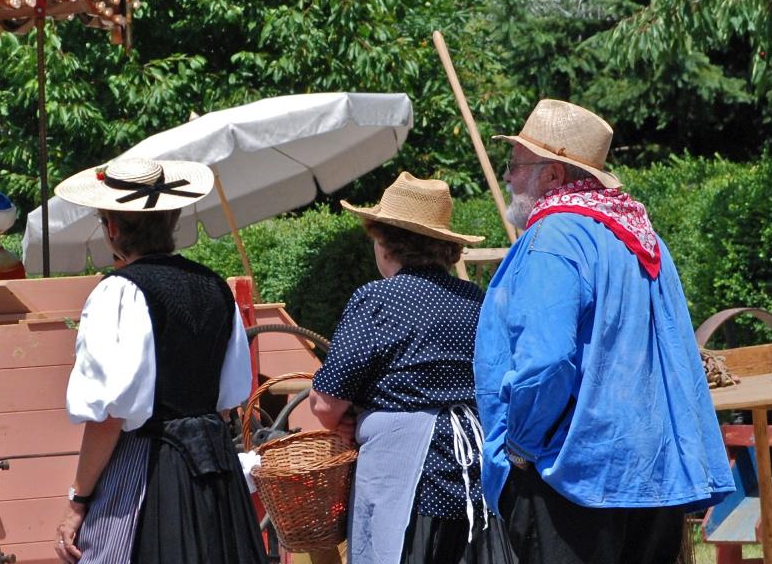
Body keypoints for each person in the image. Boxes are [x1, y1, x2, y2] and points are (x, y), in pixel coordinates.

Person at [474, 99, 733, 563]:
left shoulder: (555, 236)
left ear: (553, 175)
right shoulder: (640, 237)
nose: (509, 177)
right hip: (651, 472)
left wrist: (519, 445)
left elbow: (546, 360)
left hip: (574, 473)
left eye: (515, 165)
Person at [51, 158, 262, 564]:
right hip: (213, 470)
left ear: (112, 228)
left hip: (149, 469)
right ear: (171, 221)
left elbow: (110, 415)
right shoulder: (215, 288)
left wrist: (78, 500)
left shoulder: (117, 292)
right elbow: (229, 396)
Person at [307, 173, 514, 564]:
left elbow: (325, 404)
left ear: (385, 243)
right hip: (475, 472)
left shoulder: (377, 300)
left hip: (408, 477)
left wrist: (351, 416)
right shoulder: (476, 300)